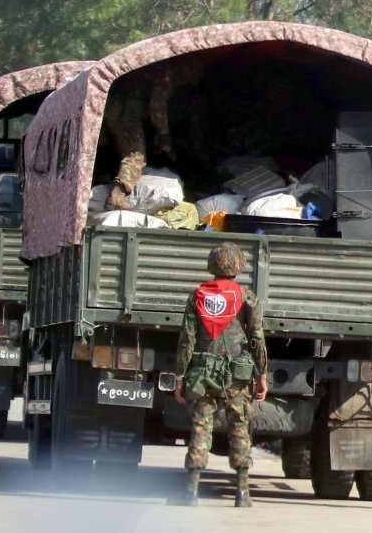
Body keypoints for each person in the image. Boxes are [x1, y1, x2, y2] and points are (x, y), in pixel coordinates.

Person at [171, 242, 269, 507]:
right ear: (238, 266)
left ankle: (191, 492)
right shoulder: (247, 297)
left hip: (203, 373)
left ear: (212, 264)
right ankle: (242, 493)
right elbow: (257, 338)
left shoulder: (197, 295)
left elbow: (187, 341)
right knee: (239, 426)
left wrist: (179, 376)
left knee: (201, 427)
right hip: (237, 376)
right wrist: (262, 374)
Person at [104, 59, 201, 210]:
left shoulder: (155, 69)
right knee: (135, 156)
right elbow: (157, 105)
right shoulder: (167, 75)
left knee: (119, 151)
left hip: (114, 111)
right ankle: (117, 196)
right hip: (126, 115)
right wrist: (163, 133)